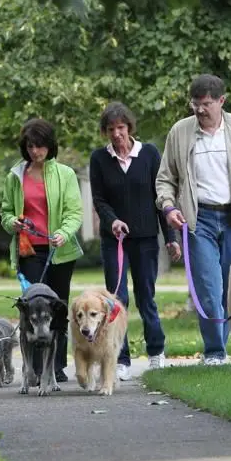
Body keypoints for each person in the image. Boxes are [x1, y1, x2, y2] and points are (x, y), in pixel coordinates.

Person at [155, 73, 231, 365]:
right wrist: (169, 207)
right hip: (198, 219)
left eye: (206, 104)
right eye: (195, 104)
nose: (200, 109)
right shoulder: (180, 132)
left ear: (222, 101)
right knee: (208, 288)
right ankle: (215, 352)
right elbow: (165, 178)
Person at [89, 102, 181, 378]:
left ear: (129, 127)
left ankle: (156, 351)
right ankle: (121, 358)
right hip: (114, 240)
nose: (116, 134)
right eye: (111, 129)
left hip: (145, 240)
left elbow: (162, 198)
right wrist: (113, 220)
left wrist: (172, 237)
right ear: (105, 132)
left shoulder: (149, 154)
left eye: (121, 127)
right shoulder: (99, 159)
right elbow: (99, 199)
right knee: (117, 301)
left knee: (146, 297)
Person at [0, 118, 83, 383]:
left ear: (50, 146)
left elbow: (74, 212)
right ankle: (34, 370)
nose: (36, 151)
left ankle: (56, 367)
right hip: (29, 251)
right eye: (32, 146)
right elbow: (5, 212)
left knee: (57, 309)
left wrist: (63, 233)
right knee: (32, 309)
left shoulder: (65, 174)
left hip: (59, 250)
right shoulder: (15, 176)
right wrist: (12, 222)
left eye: (41, 146)